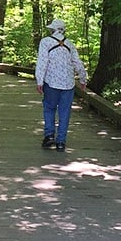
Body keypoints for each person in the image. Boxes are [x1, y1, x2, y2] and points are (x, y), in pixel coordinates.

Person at [35, 18, 87, 152]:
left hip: (51, 82)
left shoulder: (45, 42)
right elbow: (77, 63)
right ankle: (61, 142)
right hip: (68, 84)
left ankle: (49, 136)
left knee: (49, 108)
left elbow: (42, 62)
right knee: (65, 112)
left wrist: (39, 81)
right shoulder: (70, 44)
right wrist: (83, 79)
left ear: (52, 30)